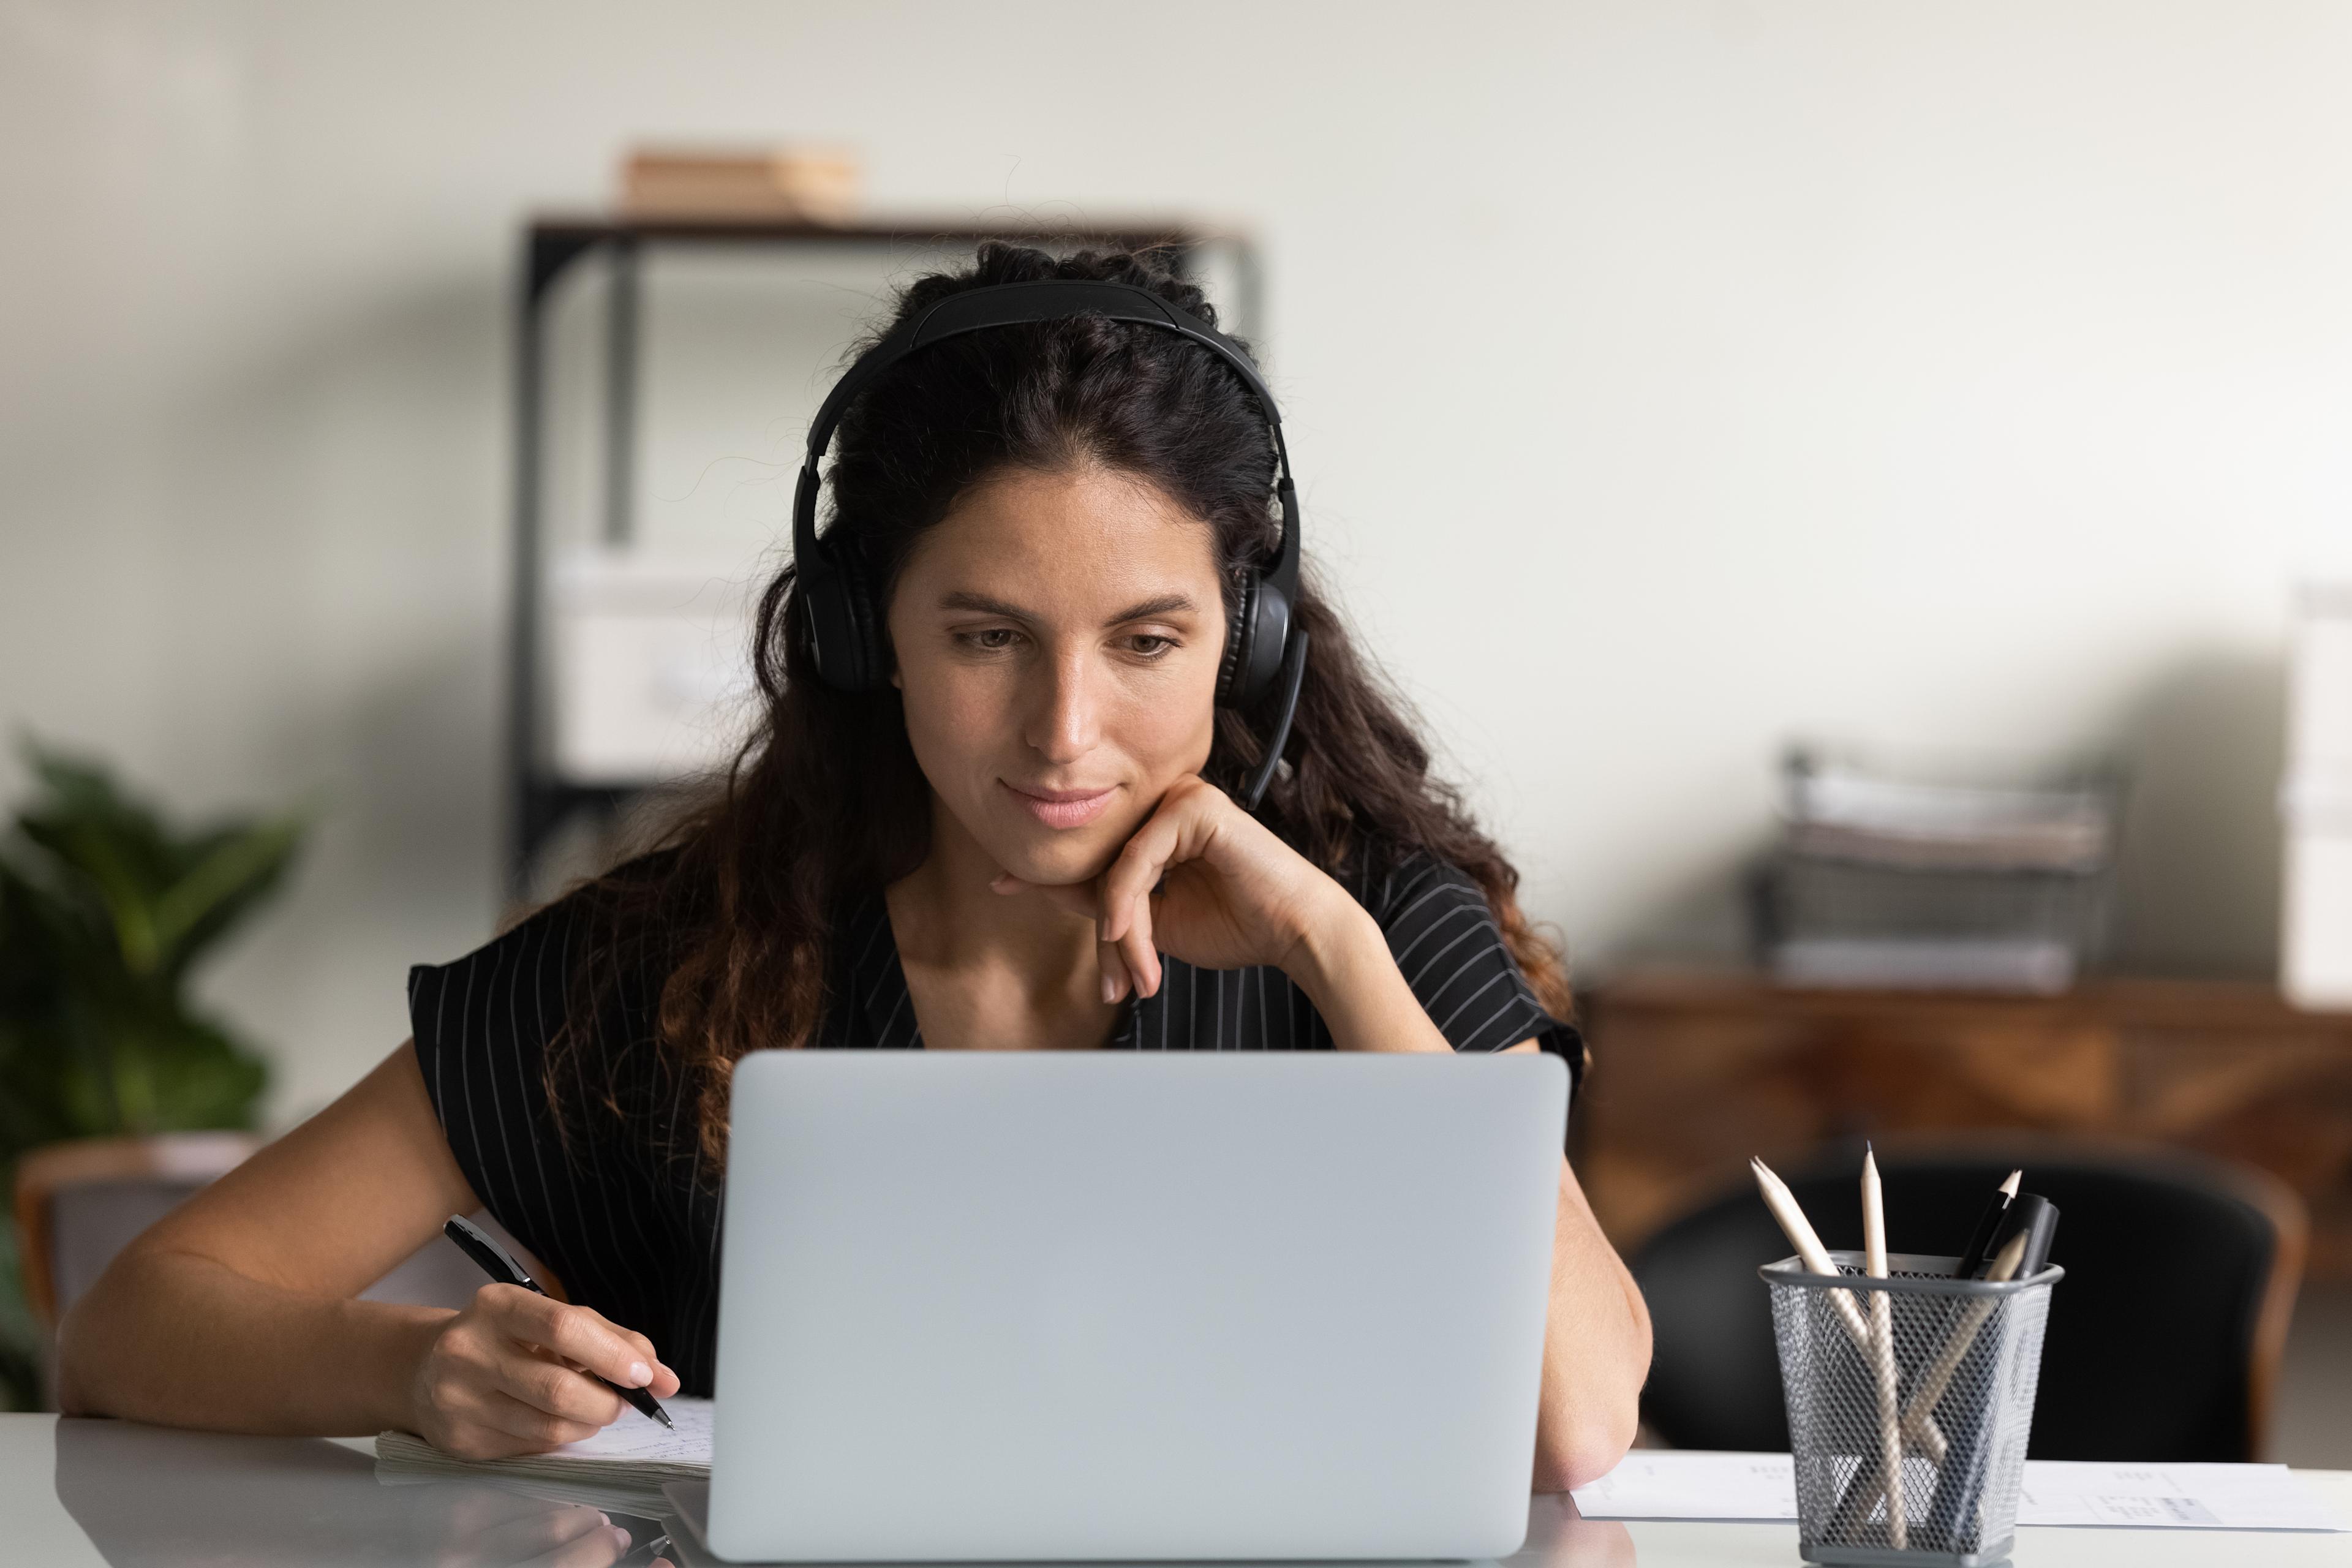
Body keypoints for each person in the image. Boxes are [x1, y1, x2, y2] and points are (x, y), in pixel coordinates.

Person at [59, 244, 1651, 1503]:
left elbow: (1577, 1423)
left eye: (1149, 641)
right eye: (985, 638)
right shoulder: (680, 959)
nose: (1066, 732)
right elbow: (135, 1320)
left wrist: (1328, 943)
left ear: (1250, 640)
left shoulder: (1366, 926)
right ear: (858, 631)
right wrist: (401, 1371)